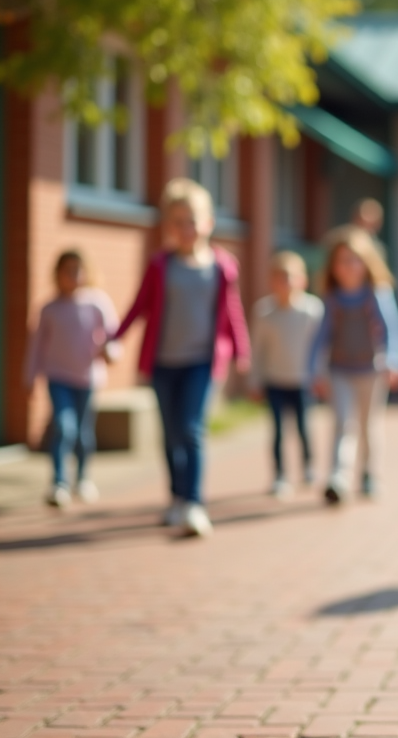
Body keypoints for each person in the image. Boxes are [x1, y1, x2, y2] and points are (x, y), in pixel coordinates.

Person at [111, 178, 250, 537]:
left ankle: (194, 503)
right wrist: (115, 337)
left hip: (201, 361)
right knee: (171, 434)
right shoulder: (160, 265)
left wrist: (242, 350)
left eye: (192, 220)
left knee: (191, 429)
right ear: (168, 227)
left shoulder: (222, 267)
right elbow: (139, 305)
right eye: (177, 222)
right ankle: (175, 497)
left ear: (208, 222)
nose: (186, 228)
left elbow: (232, 311)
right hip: (163, 362)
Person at [311, 226, 398, 504]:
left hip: (371, 372)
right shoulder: (332, 297)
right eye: (342, 261)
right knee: (342, 423)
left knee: (368, 425)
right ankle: (338, 477)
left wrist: (393, 360)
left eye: (354, 260)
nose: (348, 267)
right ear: (333, 266)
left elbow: (391, 329)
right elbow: (321, 336)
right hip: (339, 370)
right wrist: (314, 369)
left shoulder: (376, 293)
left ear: (366, 263)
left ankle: (368, 474)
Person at [23, 250, 121, 508]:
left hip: (87, 378)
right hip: (58, 376)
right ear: (57, 274)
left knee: (83, 432)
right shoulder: (49, 308)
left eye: (77, 270)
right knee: (63, 426)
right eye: (67, 270)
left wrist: (111, 353)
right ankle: (59, 482)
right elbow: (36, 346)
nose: (73, 275)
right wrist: (29, 376)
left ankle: (83, 478)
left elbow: (113, 335)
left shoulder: (97, 303)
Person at [248, 251, 324, 499]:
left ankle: (308, 467)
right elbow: (257, 349)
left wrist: (320, 376)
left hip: (303, 381)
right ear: (272, 280)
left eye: (291, 276)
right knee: (278, 430)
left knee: (304, 427)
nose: (286, 282)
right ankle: (280, 475)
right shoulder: (264, 312)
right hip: (275, 380)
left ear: (302, 279)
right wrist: (254, 379)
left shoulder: (313, 310)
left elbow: (321, 347)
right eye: (280, 277)